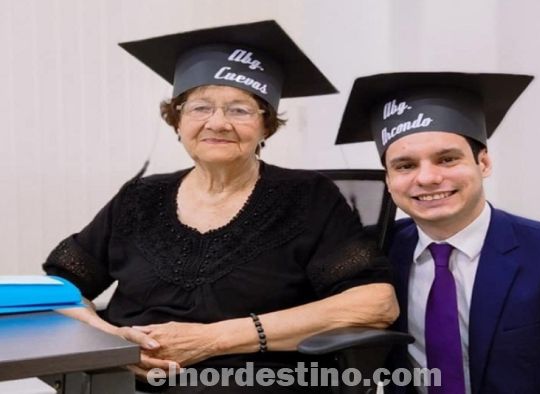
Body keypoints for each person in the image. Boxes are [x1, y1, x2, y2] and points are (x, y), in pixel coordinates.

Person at [42, 21, 399, 393]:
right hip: (125, 381)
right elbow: (60, 285)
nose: (218, 123)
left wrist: (213, 339)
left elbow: (374, 304)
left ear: (266, 127)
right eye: (199, 107)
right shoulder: (139, 198)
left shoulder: (308, 197)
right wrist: (115, 342)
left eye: (240, 110)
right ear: (177, 121)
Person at [335, 72, 540, 394]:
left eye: (447, 159)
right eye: (405, 166)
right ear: (387, 179)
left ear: (483, 163)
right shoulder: (372, 254)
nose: (427, 178)